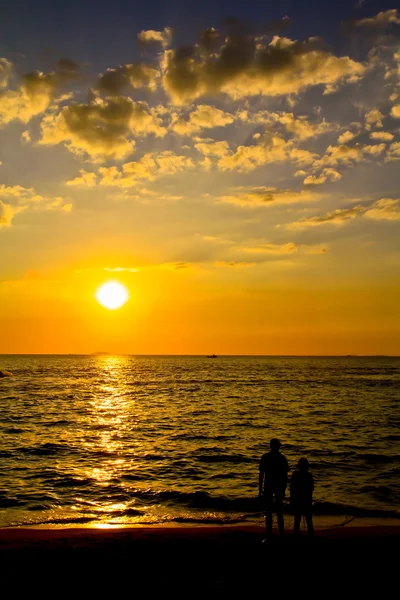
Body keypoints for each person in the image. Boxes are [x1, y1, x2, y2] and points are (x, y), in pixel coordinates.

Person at [258, 438, 289, 539]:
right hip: (278, 486)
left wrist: (260, 489)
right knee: (279, 511)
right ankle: (281, 533)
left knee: (269, 511)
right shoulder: (282, 458)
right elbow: (285, 476)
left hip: (269, 485)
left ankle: (269, 533)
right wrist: (284, 488)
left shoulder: (266, 457)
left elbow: (261, 474)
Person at [290, 457, 314, 537]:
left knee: (297, 519)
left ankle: (296, 534)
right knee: (308, 519)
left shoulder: (295, 474)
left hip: (297, 499)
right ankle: (311, 535)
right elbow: (311, 488)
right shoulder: (309, 475)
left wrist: (292, 498)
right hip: (306, 499)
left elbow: (292, 488)